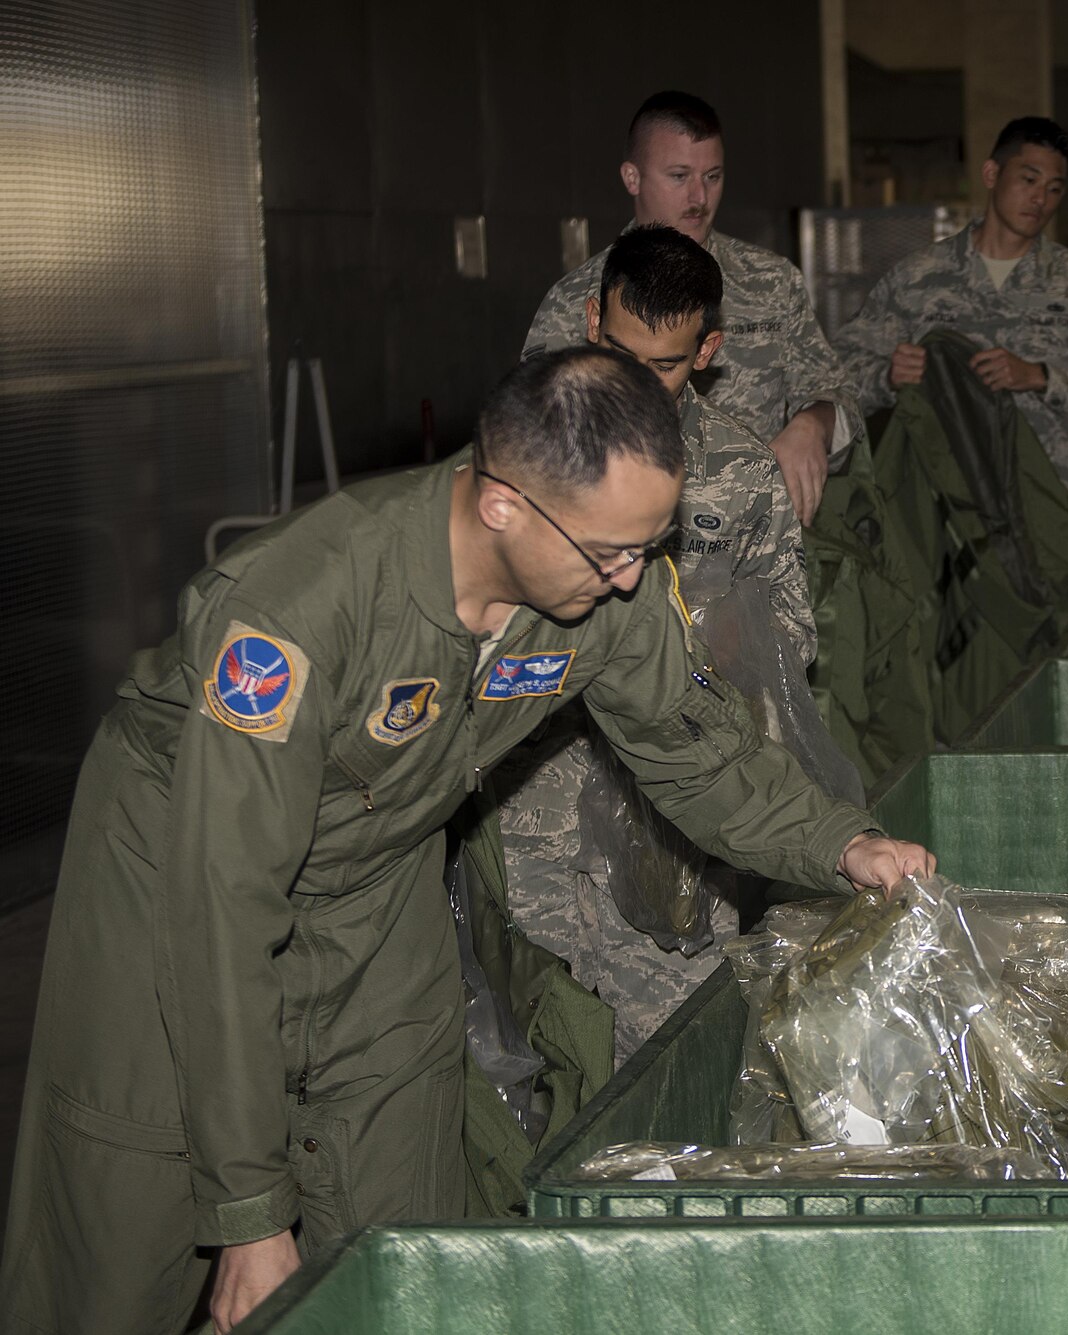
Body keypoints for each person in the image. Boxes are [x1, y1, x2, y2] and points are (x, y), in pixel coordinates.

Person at [0, 347, 934, 1335]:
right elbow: (224, 907)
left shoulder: (605, 580)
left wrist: (840, 845)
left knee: (396, 1192)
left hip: (380, 856)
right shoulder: (295, 608)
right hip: (175, 863)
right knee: (125, 1211)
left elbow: (691, 750)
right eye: (609, 552)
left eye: (647, 544)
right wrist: (246, 1220)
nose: (631, 579)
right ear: (502, 506)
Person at [496, 224, 816, 1064]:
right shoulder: (530, 452)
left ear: (708, 350)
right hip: (539, 798)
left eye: (667, 366)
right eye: (623, 354)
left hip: (670, 821)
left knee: (662, 1054)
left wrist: (701, 641)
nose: (639, 385)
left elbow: (790, 644)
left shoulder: (742, 474)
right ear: (594, 323)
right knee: (530, 1035)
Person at [523, 91, 858, 525]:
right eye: (679, 176)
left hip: (756, 546)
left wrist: (814, 425)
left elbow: (842, 397)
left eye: (713, 176)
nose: (699, 197)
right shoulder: (577, 298)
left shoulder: (771, 282)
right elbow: (536, 438)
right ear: (632, 177)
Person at [833, 116, 1068, 556]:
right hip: (942, 536)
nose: (1041, 198)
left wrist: (1042, 377)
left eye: (1055, 188)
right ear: (991, 174)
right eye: (1029, 179)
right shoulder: (918, 278)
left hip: (1047, 532)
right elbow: (835, 378)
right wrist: (886, 377)